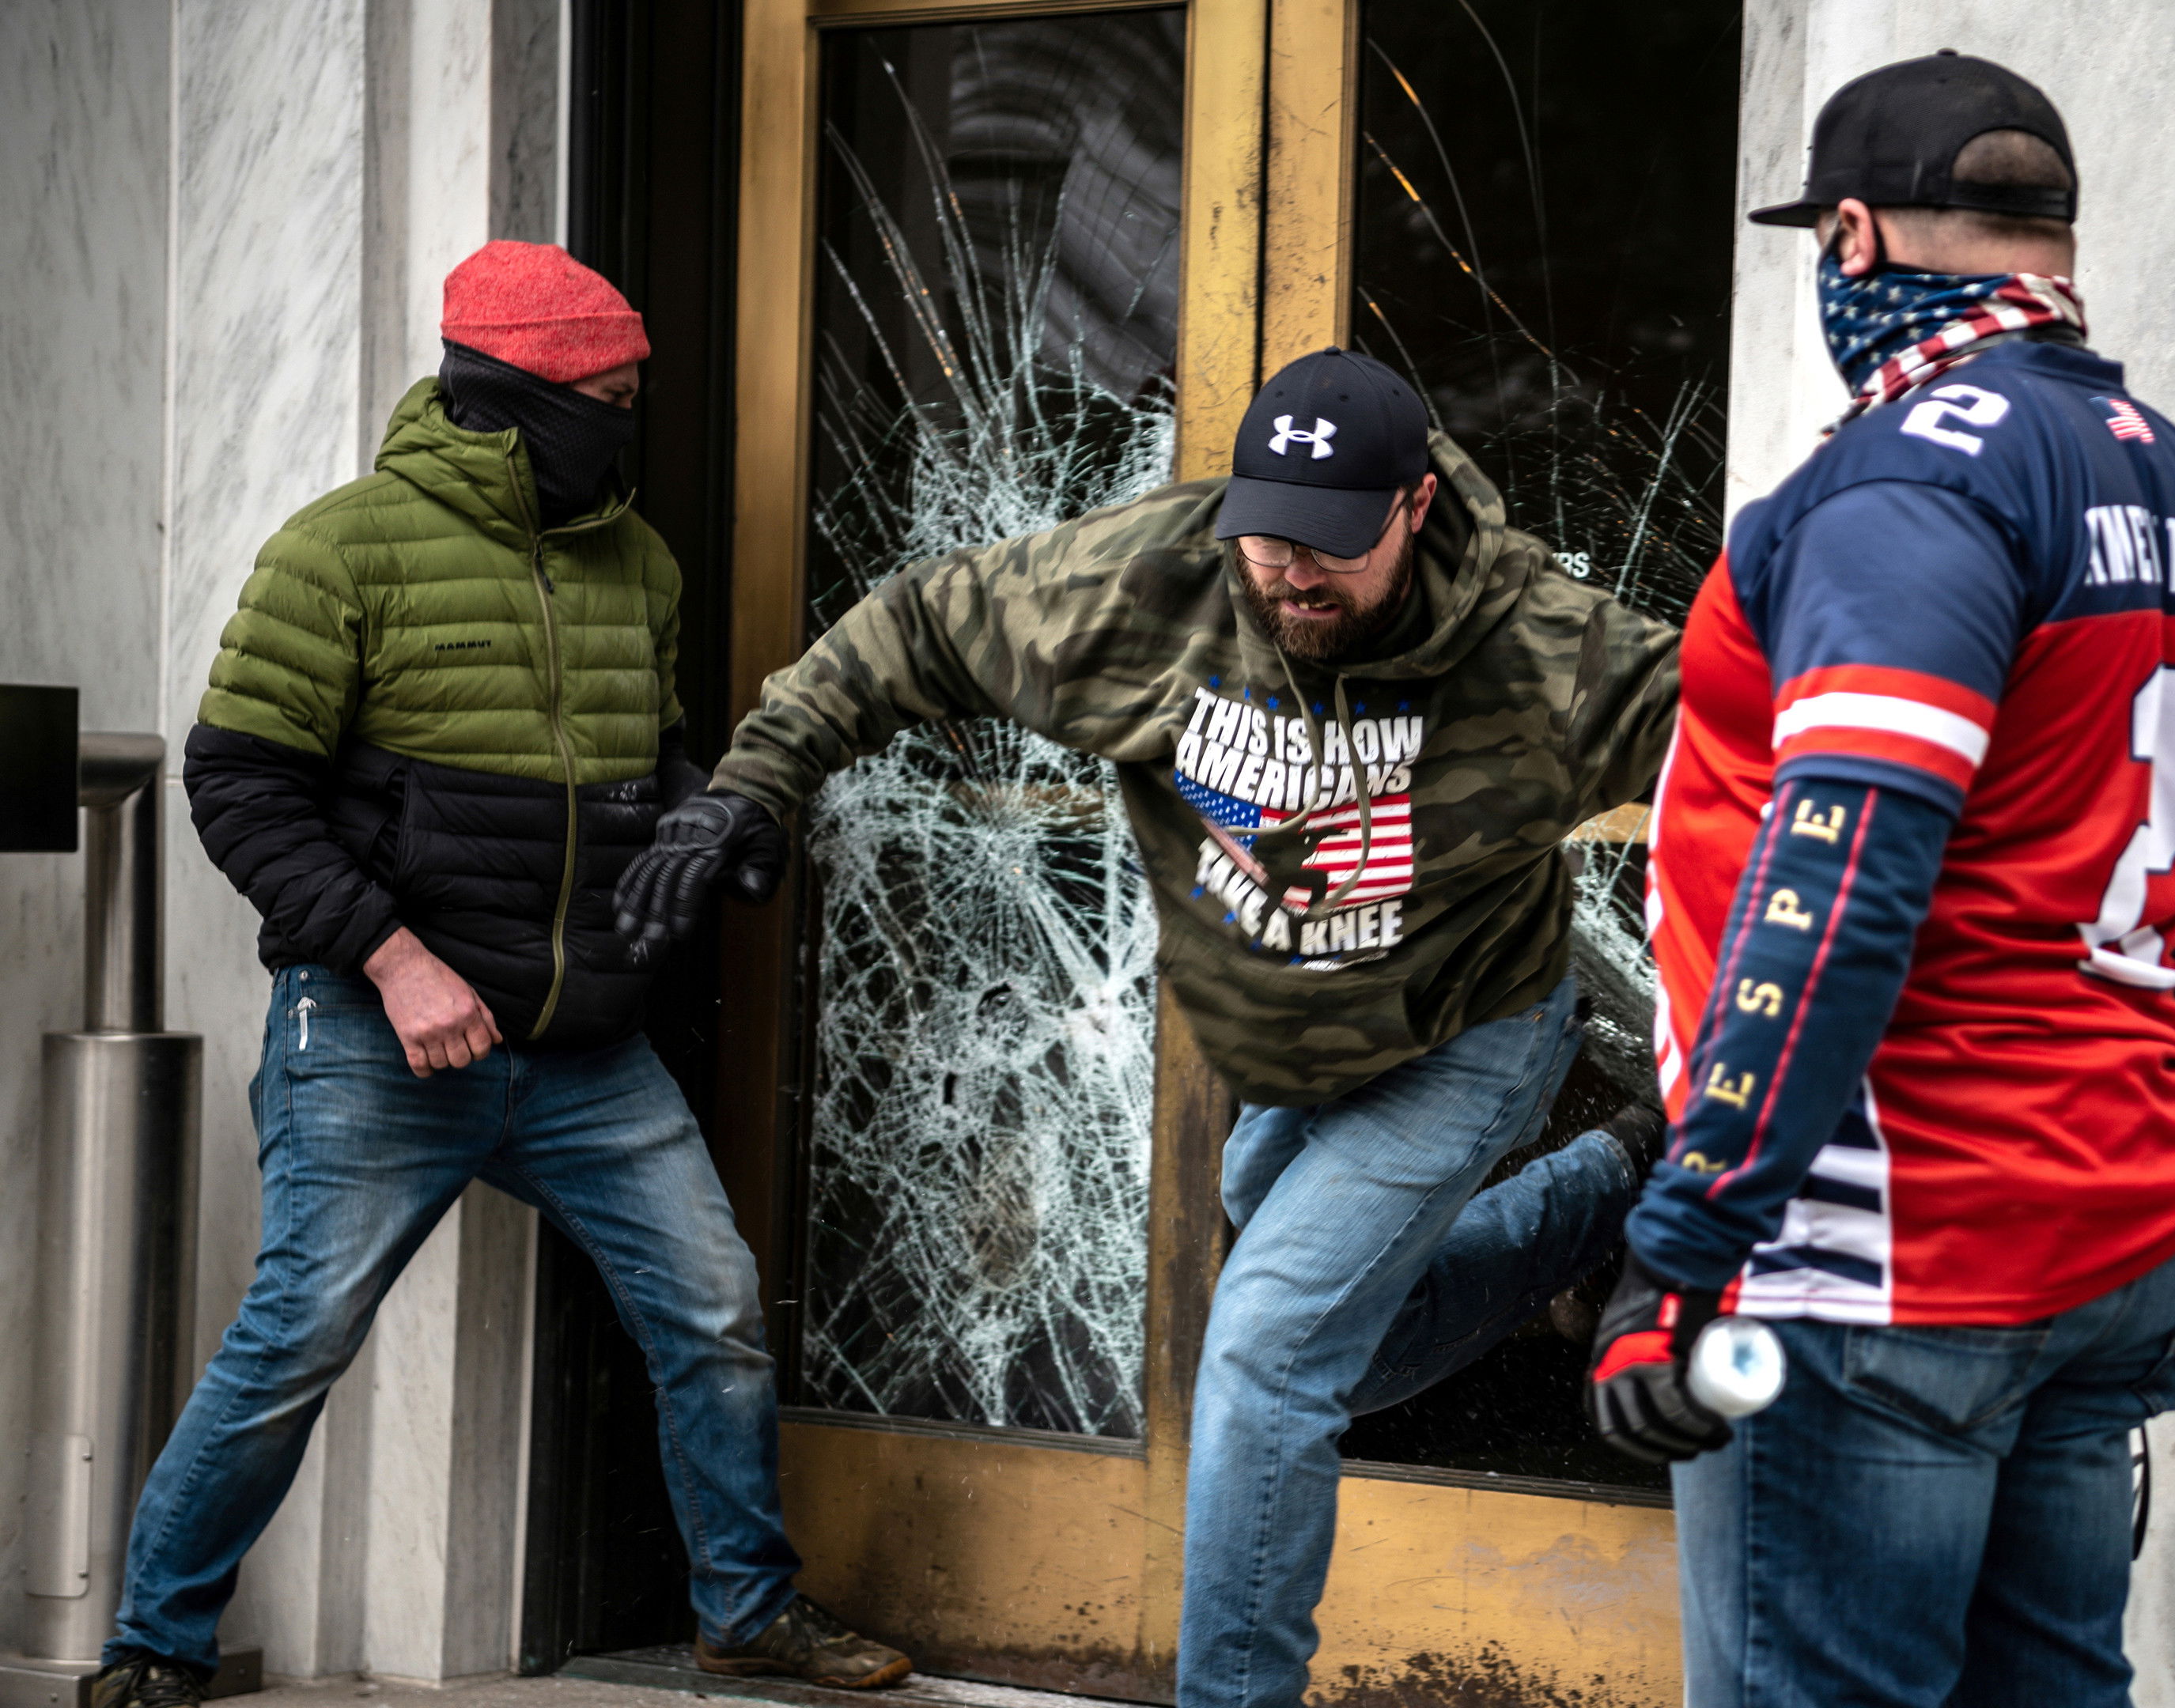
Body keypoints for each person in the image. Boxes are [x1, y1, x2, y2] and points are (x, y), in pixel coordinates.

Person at [626, 346, 1678, 1708]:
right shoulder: (1154, 584)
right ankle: (1609, 1187)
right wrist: (752, 786)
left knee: (1266, 1353)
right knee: (1342, 1347)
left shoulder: (1546, 647)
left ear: (1416, 508)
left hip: (1469, 1024)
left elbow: (1776, 752)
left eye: (1333, 546)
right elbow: (923, 623)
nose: (1292, 575)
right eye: (1269, 539)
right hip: (1290, 1042)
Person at [96, 242, 911, 1708]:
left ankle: (745, 1612)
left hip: (584, 1047)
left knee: (714, 1311)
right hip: (376, 1027)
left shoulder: (638, 562)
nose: (629, 420)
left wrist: (710, 823)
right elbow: (239, 786)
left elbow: (648, 759)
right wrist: (394, 960)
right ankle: (155, 1644)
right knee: (298, 1336)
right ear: (516, 397)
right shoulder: (342, 549)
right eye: (609, 398)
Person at [1584, 52, 2175, 1707]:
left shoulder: (1906, 483)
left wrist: (1686, 1243)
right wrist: (2098, 1143)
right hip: (2107, 1230)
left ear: (1853, 238)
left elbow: (1842, 883)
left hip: (1885, 1258)